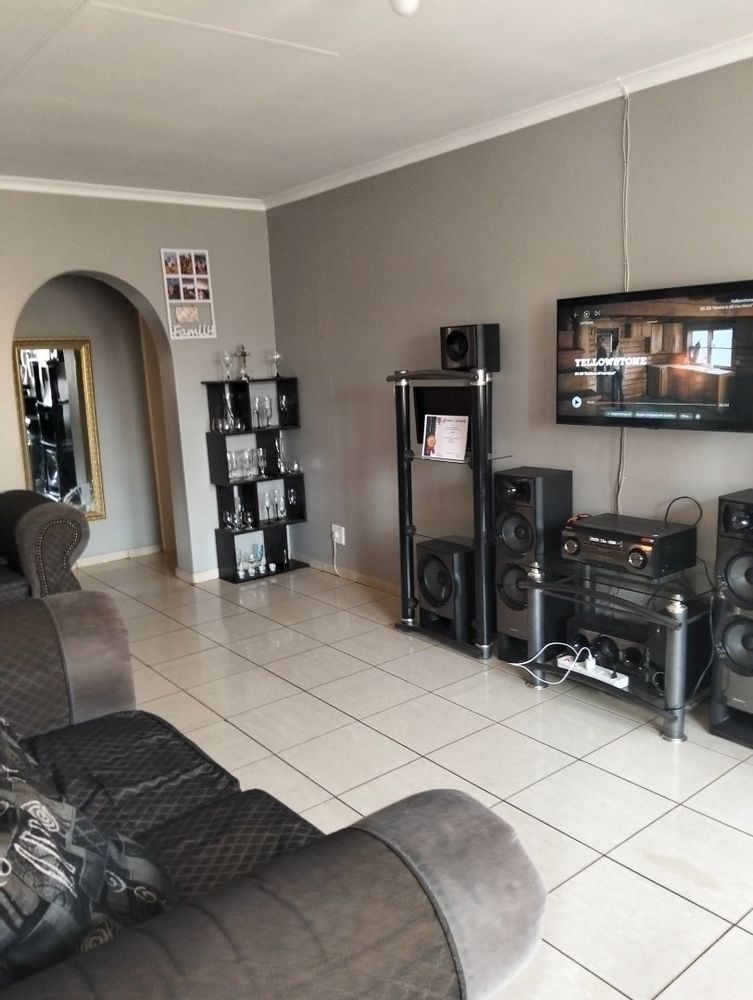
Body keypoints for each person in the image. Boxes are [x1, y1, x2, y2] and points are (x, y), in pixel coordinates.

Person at [609, 339, 625, 406]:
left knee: (620, 388)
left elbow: (623, 364)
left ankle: (622, 405)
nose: (619, 345)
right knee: (613, 388)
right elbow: (609, 363)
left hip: (619, 372)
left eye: (619, 344)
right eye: (618, 344)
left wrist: (623, 373)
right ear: (615, 345)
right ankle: (613, 403)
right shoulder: (611, 353)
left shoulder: (621, 353)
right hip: (614, 372)